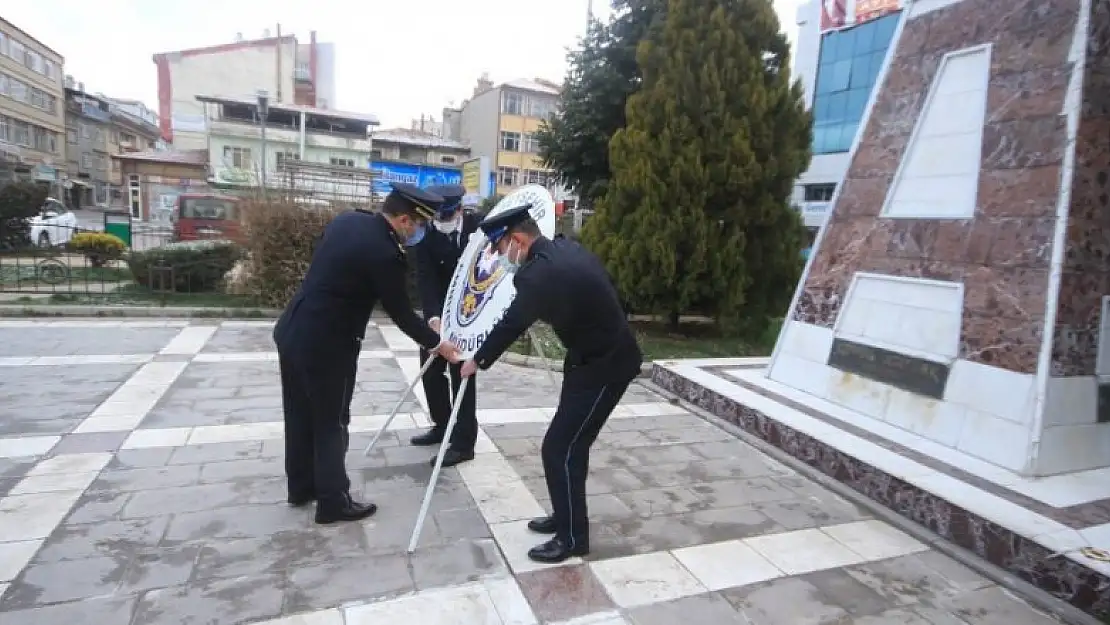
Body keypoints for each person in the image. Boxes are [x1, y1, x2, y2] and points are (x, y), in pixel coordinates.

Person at [459, 205, 643, 563]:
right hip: (587, 359)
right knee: (569, 446)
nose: (500, 260)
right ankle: (565, 516)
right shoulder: (563, 248)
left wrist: (477, 360)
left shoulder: (540, 273)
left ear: (517, 240)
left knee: (560, 448)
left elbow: (512, 322)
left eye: (499, 251)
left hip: (605, 368)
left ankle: (573, 538)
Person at [273, 182, 461, 525]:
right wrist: (439, 345)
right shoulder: (386, 254)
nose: (418, 233)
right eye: (418, 225)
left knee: (299, 414)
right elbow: (402, 315)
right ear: (405, 220)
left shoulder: (349, 221)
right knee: (332, 422)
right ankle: (333, 501)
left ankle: (301, 487)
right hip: (329, 346)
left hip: (293, 331)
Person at [410, 184, 482, 467]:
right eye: (437, 217)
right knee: (430, 370)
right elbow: (426, 280)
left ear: (460, 210)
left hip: (470, 314)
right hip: (440, 312)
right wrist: (434, 321)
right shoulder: (427, 235)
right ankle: (442, 425)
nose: (441, 222)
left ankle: (464, 443)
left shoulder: (479, 228)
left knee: (462, 374)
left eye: (446, 216)